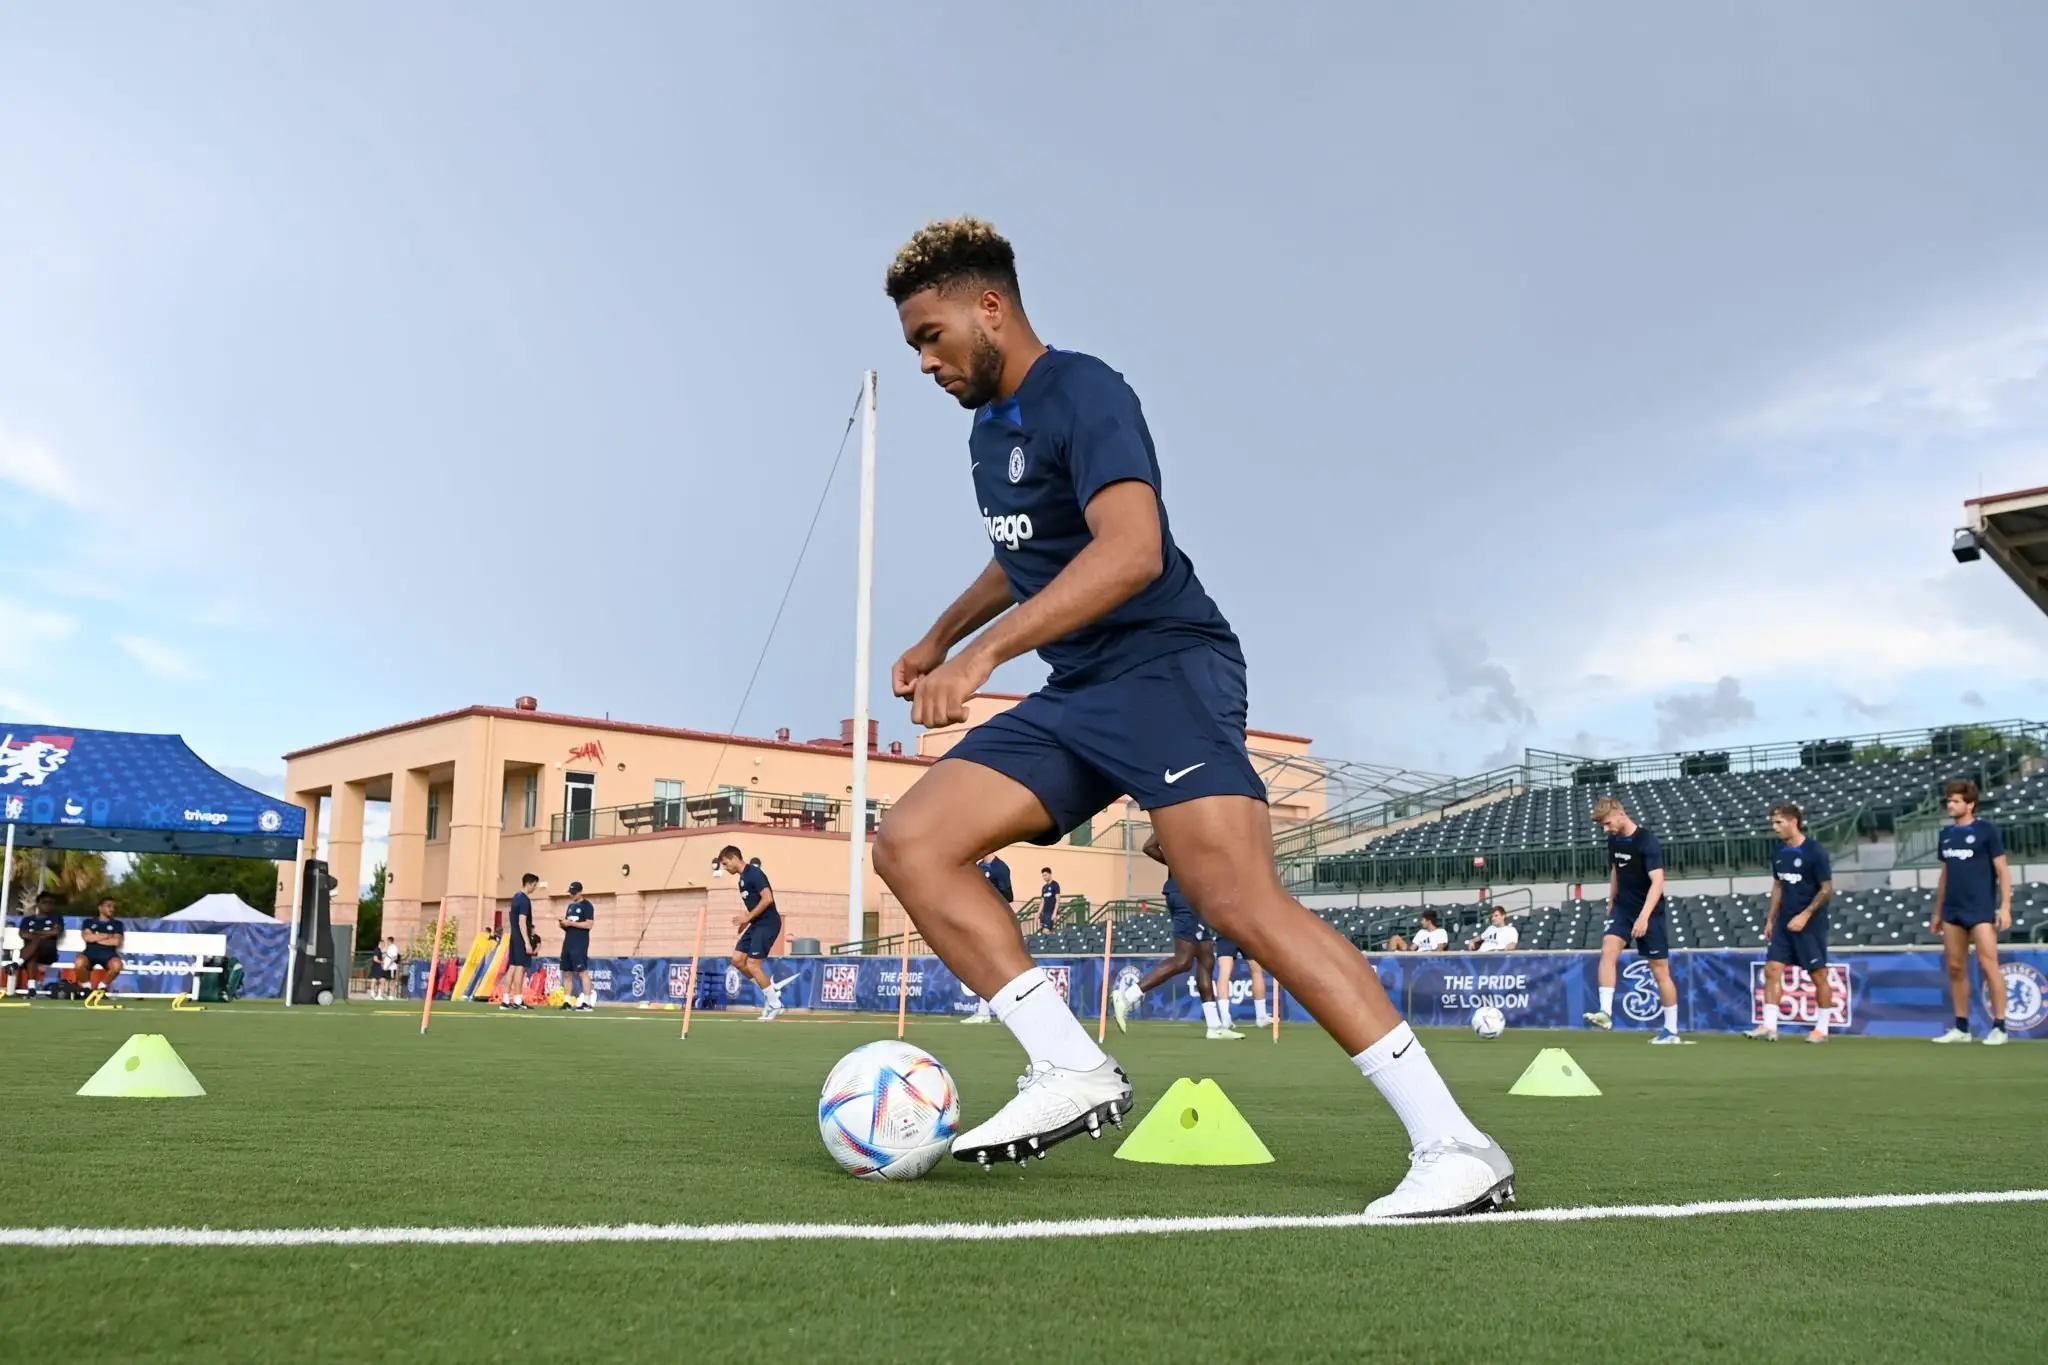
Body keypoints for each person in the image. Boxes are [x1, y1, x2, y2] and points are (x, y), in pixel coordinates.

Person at [870, 217, 1510, 1215]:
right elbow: (1024, 549)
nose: (924, 361)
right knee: (910, 842)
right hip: (1079, 691)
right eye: (913, 344)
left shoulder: (1086, 391)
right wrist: (940, 635)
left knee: (1234, 899)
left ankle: (1455, 1144)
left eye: (931, 335)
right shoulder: (987, 431)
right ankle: (1068, 1065)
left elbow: (1130, 549)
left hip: (1166, 668)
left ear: (989, 307)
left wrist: (985, 656)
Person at [1584, 796, 1682, 1043]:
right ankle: (1605, 1013)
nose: (1606, 829)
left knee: (1660, 969)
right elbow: (1616, 870)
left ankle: (1671, 1030)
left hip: (1650, 912)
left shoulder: (1647, 841)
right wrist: (1611, 900)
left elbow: (1658, 882)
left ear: (1620, 814)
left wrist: (1644, 917)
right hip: (1623, 909)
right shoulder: (1613, 840)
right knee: (1608, 950)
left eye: (1607, 823)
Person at [1930, 779, 2013, 1045]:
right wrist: (1937, 912)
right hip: (1952, 910)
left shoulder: (1986, 831)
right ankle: (1961, 1027)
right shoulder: (1945, 835)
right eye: (1949, 800)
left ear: (1970, 805)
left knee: (1989, 965)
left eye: (1955, 801)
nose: (1950, 805)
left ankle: (2000, 1027)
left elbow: (2003, 871)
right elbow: (1945, 875)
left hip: (1980, 909)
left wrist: (2005, 906)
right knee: (1955, 967)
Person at [1111, 868, 1238, 1040]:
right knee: (1183, 960)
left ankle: (1214, 1026)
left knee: (1206, 955)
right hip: (1188, 894)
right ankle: (1127, 997)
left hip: (1190, 893)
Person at [1748, 803, 1835, 1042]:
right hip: (1784, 924)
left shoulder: (1815, 851)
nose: (1774, 827)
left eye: (1779, 822)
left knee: (1819, 975)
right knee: (1772, 970)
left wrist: (1805, 915)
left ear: (1793, 822)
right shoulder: (1779, 852)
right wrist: (1771, 919)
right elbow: (1778, 885)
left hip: (1811, 925)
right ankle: (1769, 1026)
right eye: (1773, 823)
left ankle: (1822, 1029)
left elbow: (1827, 889)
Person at [719, 846, 784, 1021]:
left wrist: (748, 916)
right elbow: (755, 904)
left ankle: (774, 1004)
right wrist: (747, 921)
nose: (725, 868)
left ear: (734, 858)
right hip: (756, 923)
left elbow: (767, 898)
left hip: (768, 923)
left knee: (753, 964)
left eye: (725, 863)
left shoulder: (754, 873)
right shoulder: (741, 880)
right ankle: (770, 991)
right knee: (737, 960)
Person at [5, 892, 64, 997]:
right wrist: (45, 933)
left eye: (50, 903)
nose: (48, 905)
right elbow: (23, 934)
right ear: (38, 904)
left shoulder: (56, 918)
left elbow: (55, 932)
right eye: (44, 902)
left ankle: (17, 964)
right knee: (33, 953)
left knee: (35, 943)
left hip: (48, 953)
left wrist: (35, 933)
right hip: (30, 953)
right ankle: (32, 988)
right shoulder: (28, 920)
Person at [70, 896, 126, 996]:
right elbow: (87, 938)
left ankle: (101, 987)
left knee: (117, 965)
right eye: (109, 906)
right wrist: (107, 936)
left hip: (109, 954)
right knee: (79, 963)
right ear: (100, 908)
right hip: (90, 953)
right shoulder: (89, 922)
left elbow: (116, 941)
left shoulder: (117, 924)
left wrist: (96, 937)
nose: (112, 909)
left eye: (113, 907)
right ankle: (87, 988)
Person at [501, 873, 539, 1011]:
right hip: (521, 938)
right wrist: (527, 942)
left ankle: (506, 999)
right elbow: (522, 921)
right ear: (528, 884)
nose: (535, 888)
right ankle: (517, 999)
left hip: (514, 937)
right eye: (534, 885)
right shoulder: (524, 900)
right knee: (520, 968)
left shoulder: (515, 897)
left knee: (512, 967)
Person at [557, 881, 594, 1012]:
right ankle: (567, 1001)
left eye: (574, 893)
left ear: (580, 892)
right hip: (568, 942)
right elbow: (569, 925)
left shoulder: (587, 906)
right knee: (567, 973)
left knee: (582, 972)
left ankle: (587, 1002)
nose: (571, 895)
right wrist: (563, 925)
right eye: (570, 893)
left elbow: (589, 924)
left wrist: (572, 924)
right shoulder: (570, 906)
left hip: (580, 943)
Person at [1036, 867, 1061, 932]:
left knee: (1046, 931)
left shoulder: (1055, 885)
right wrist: (1038, 913)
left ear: (1050, 874)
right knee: (1045, 931)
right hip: (1045, 912)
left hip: (1051, 912)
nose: (1044, 877)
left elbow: (1058, 900)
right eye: (1043, 876)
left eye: (1045, 875)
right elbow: (1042, 901)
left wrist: (1055, 913)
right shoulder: (1044, 887)